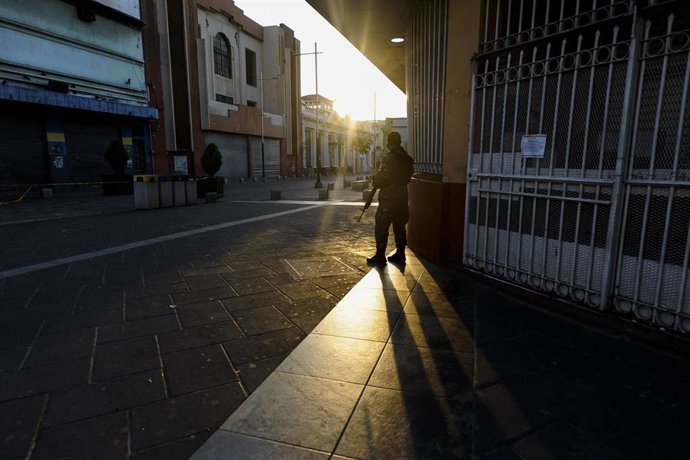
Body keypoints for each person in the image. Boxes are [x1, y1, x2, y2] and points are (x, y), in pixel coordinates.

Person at [367, 131, 414, 266]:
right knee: (399, 225)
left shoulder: (390, 158)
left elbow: (381, 176)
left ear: (389, 143)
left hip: (389, 196)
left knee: (382, 225)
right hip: (402, 196)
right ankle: (400, 253)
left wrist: (375, 179)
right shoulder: (407, 158)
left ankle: (380, 255)